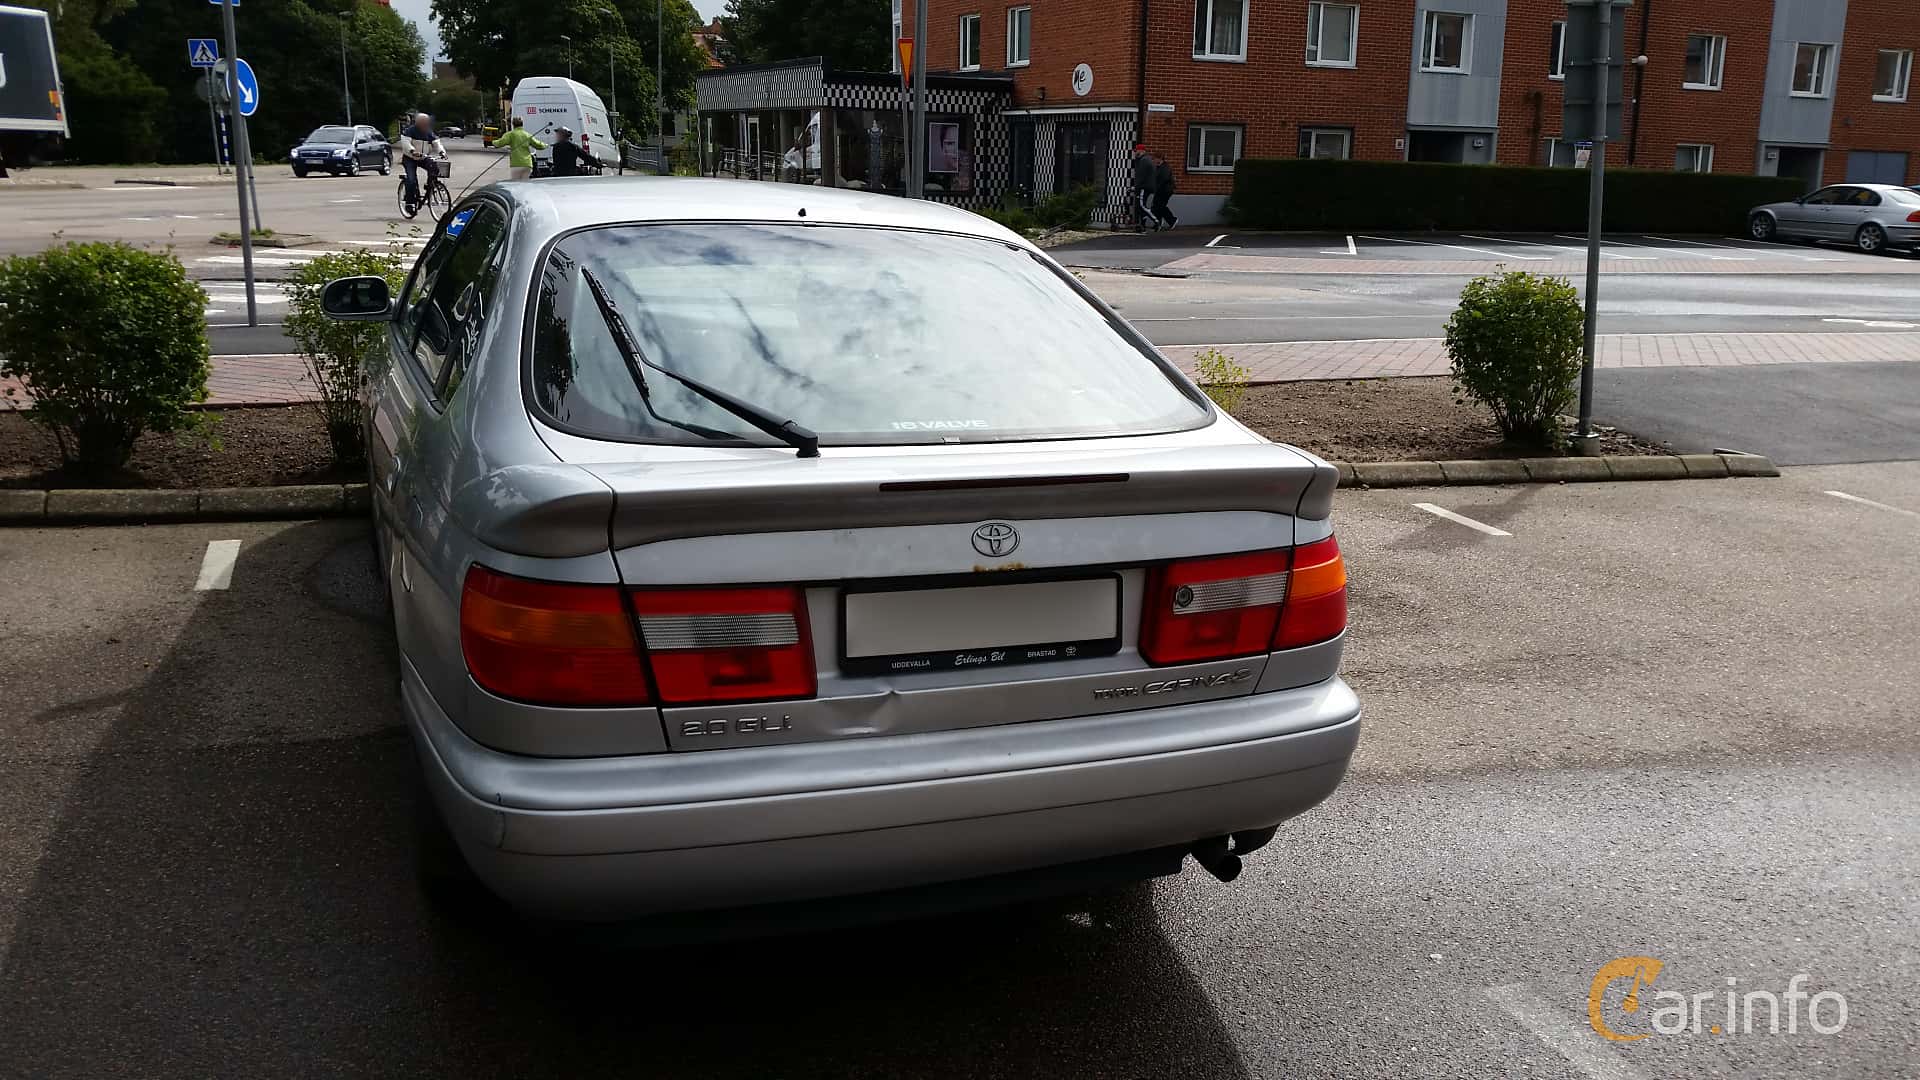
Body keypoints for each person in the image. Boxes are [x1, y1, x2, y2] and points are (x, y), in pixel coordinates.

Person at [397, 112, 448, 209]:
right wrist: (412, 151)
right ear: (418, 123)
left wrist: (442, 152)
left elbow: (436, 143)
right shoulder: (410, 131)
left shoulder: (428, 132)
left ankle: (430, 186)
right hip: (410, 158)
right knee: (411, 180)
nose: (425, 125)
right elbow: (406, 143)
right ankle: (409, 203)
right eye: (423, 123)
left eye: (426, 123)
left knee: (434, 167)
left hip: (423, 157)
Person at [496, 117, 545, 181]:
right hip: (527, 164)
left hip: (516, 164)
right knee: (525, 184)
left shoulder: (510, 134)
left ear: (513, 124)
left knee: (516, 184)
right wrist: (545, 145)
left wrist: (493, 142)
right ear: (522, 124)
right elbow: (538, 145)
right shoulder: (527, 135)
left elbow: (500, 143)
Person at [1130, 143, 1156, 232]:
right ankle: (1142, 225)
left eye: (1136, 151)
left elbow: (1141, 176)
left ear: (1141, 151)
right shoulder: (1145, 159)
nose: (1135, 152)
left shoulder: (1144, 161)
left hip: (1144, 187)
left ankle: (1156, 221)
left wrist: (1135, 187)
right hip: (1146, 186)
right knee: (1141, 206)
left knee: (1141, 206)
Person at [1152, 153, 1178, 231]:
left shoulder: (1165, 168)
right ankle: (1159, 222)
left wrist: (1155, 188)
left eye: (1155, 159)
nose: (1153, 160)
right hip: (1161, 190)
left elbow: (1163, 180)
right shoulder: (1159, 167)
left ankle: (1171, 220)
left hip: (1165, 190)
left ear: (1160, 159)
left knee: (1160, 206)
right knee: (1157, 206)